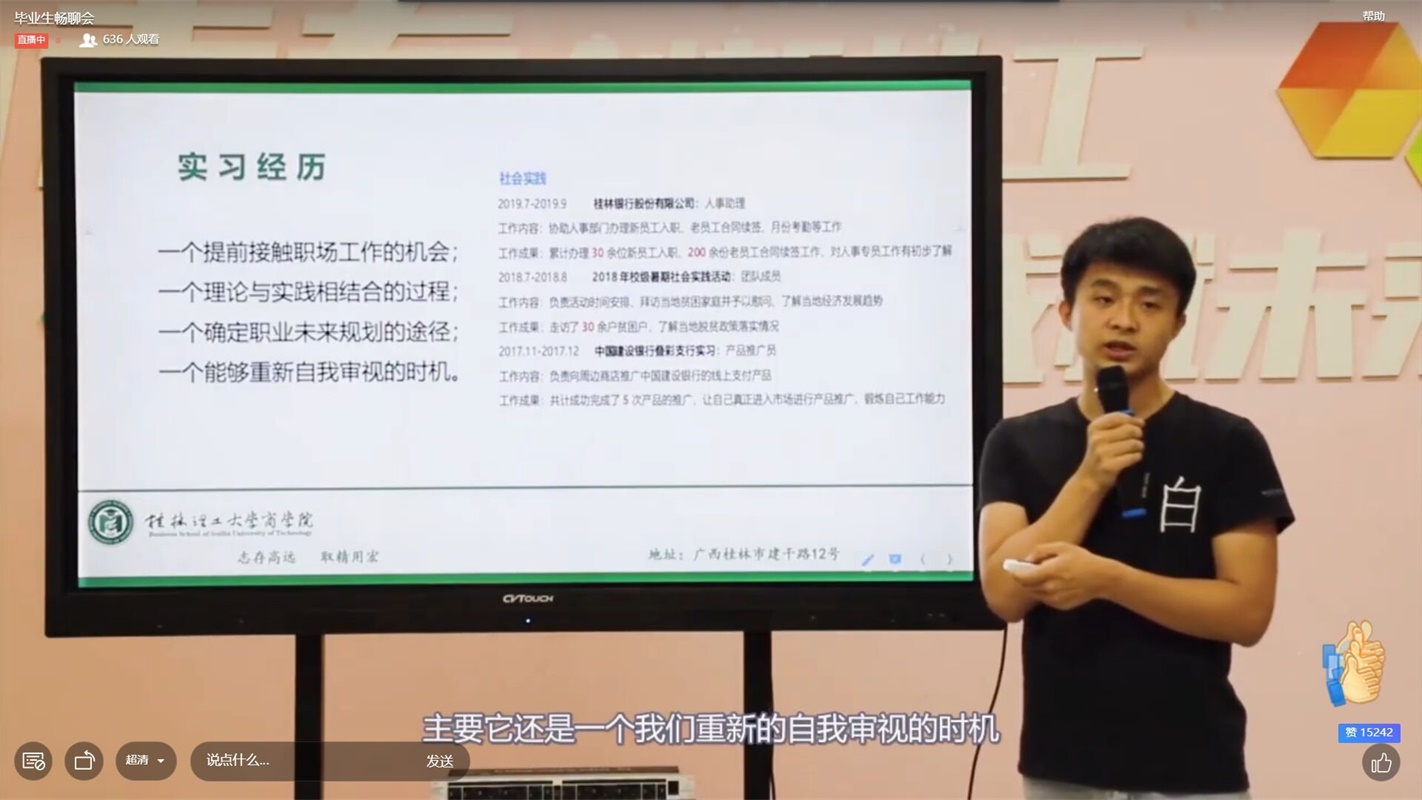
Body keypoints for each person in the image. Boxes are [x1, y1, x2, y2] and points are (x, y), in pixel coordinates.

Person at [977, 217, 1295, 799]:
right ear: (1067, 312)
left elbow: (1247, 613)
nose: (1124, 320)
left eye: (1150, 304)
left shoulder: (1228, 442)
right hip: (1062, 766)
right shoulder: (1017, 442)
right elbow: (1004, 593)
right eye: (1104, 299)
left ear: (1177, 324)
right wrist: (1091, 476)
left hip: (1195, 767)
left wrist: (1110, 581)